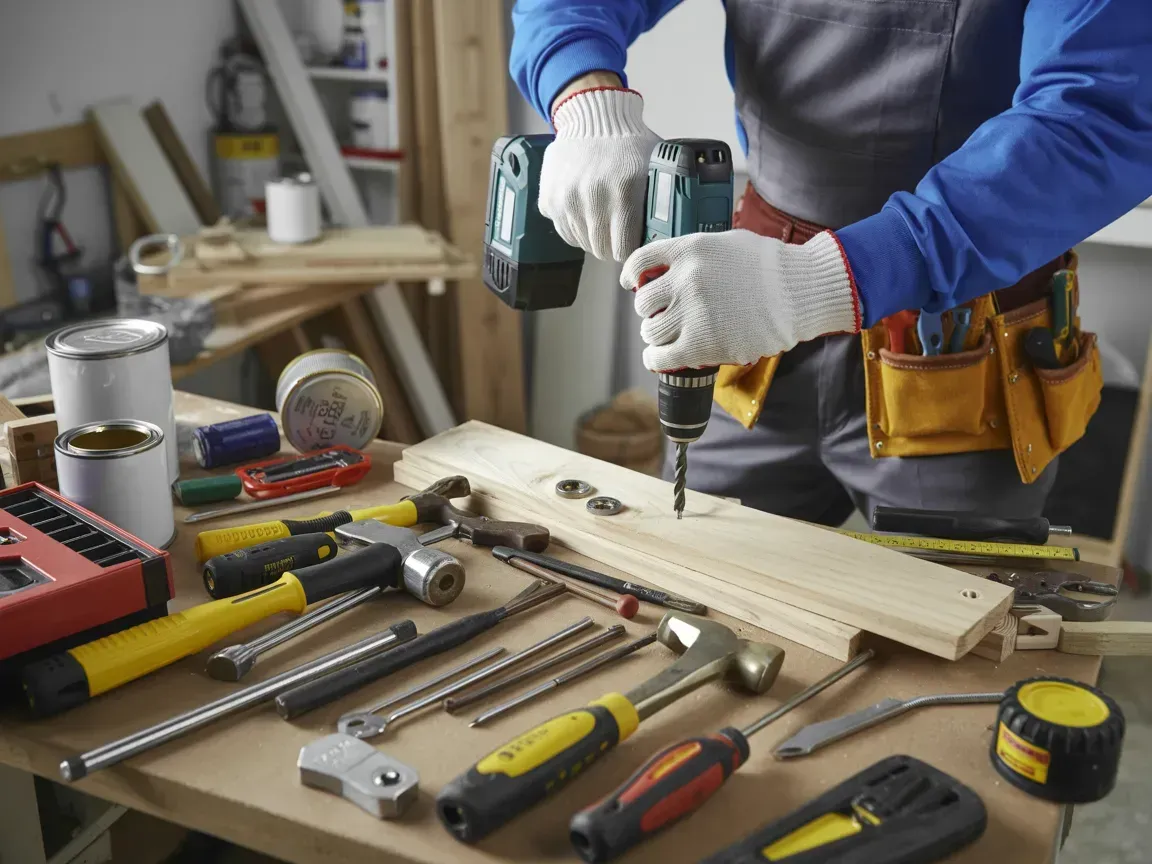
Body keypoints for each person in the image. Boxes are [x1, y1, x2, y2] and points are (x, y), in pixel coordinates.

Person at [509, 0, 1152, 526]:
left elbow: (1094, 116)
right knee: (694, 588)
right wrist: (586, 102)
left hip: (960, 357)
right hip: (748, 314)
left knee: (949, 642)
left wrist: (830, 279)